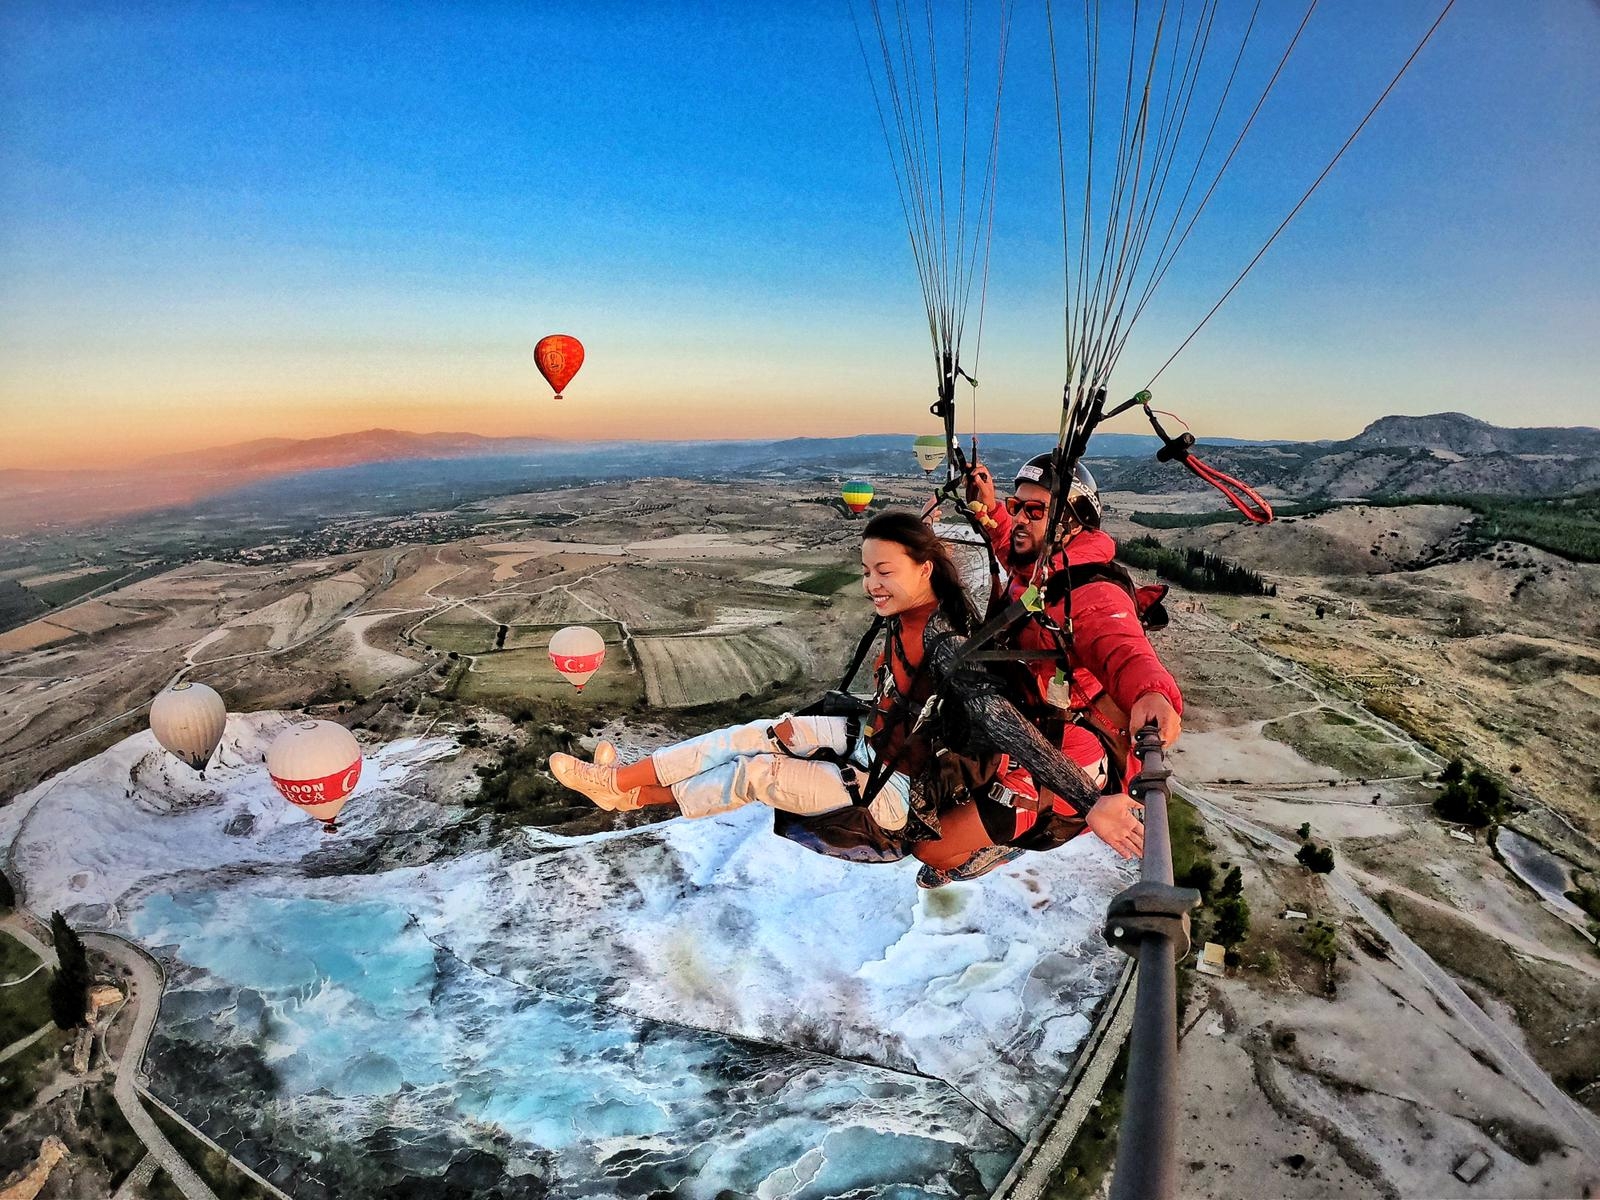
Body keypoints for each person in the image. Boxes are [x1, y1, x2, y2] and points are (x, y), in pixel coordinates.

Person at [549, 511, 1138, 864]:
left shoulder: (945, 642)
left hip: (901, 792)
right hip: (877, 738)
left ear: (923, 569)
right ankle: (617, 780)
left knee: (756, 773)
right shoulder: (908, 615)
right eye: (865, 571)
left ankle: (630, 799)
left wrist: (1092, 802)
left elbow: (1004, 724)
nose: (870, 584)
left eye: (884, 572)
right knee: (754, 733)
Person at [908, 453, 1181, 885]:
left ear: (1073, 524)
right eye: (1017, 506)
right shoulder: (1041, 564)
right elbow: (1009, 544)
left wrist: (1150, 691)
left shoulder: (1091, 593)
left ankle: (1000, 849)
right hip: (1028, 719)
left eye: (1034, 511)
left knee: (932, 850)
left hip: (1069, 754)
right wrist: (990, 508)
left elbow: (1124, 648)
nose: (1019, 518)